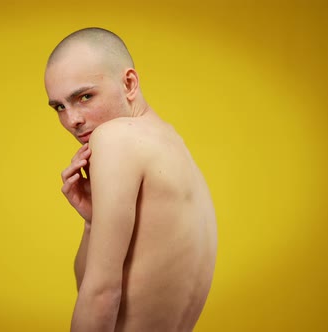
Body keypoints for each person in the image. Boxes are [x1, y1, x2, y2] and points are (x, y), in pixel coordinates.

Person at [44, 27, 218, 332]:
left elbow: (100, 295)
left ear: (129, 83)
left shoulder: (115, 137)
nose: (72, 120)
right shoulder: (173, 144)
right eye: (59, 106)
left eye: (84, 96)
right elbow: (85, 284)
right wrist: (92, 221)